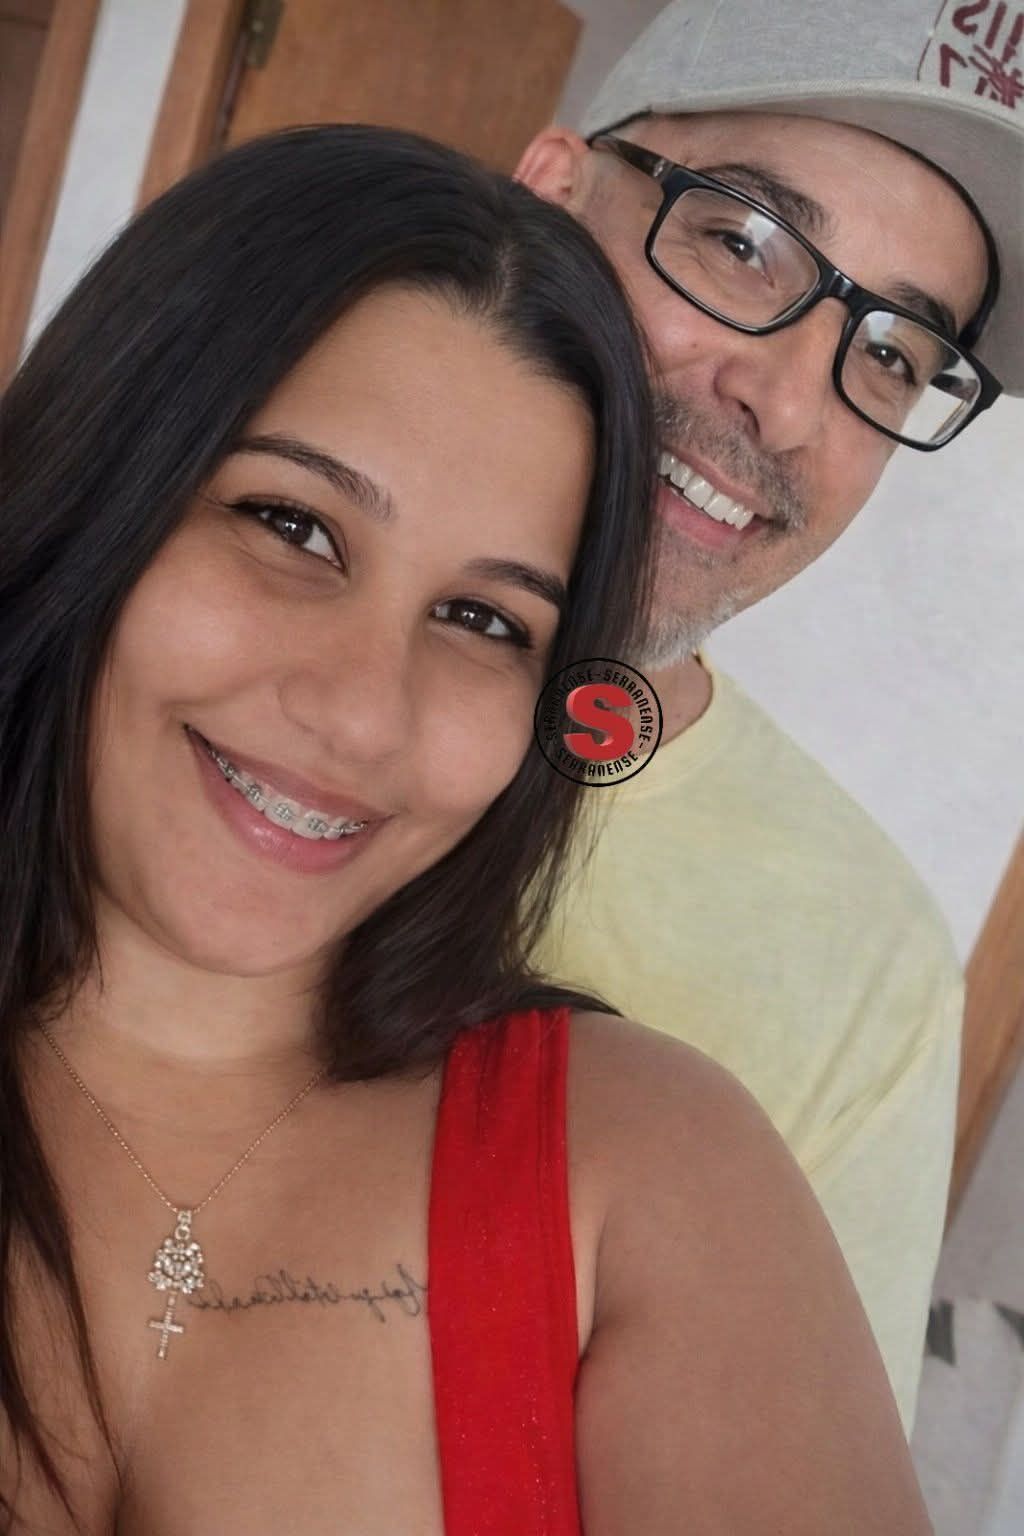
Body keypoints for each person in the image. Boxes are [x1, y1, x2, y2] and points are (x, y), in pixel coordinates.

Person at [0, 124, 932, 1533]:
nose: (362, 716)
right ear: (97, 487)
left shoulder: (649, 1169)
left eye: (486, 620)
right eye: (293, 527)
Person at [518, 0, 1023, 1433]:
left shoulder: (869, 971)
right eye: (745, 242)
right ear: (551, 193)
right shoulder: (174, 624)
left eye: (895, 354)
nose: (791, 406)